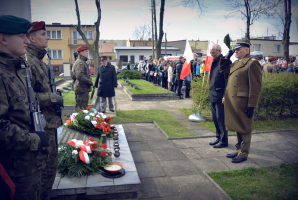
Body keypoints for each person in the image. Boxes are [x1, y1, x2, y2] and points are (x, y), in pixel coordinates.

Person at [0, 15, 49, 200]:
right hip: (16, 168)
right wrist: (34, 139)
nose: (28, 41)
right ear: (3, 38)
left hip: (30, 163)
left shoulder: (16, 68)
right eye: (22, 36)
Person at [26, 21, 63, 200]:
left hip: (49, 124)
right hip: (41, 127)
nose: (47, 37)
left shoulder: (39, 61)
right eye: (43, 34)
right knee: (44, 175)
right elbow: (28, 98)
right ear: (31, 38)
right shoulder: (29, 61)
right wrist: (54, 97)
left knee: (50, 172)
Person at [219, 39, 262, 163]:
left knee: (245, 128)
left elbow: (256, 86)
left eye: (238, 49)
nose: (235, 51)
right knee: (238, 126)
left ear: (246, 50)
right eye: (235, 49)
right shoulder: (236, 62)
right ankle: (238, 150)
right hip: (233, 102)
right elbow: (223, 71)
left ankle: (244, 153)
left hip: (243, 102)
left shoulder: (252, 63)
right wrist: (226, 57)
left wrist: (252, 105)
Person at [208, 44, 228, 148]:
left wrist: (225, 95)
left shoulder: (223, 62)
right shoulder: (214, 62)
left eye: (213, 52)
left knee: (221, 119)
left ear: (219, 51)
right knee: (215, 119)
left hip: (220, 95)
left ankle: (224, 140)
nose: (211, 54)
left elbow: (227, 80)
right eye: (210, 52)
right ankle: (218, 137)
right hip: (213, 94)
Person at [72, 46, 93, 110]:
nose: (87, 53)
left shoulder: (81, 62)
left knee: (81, 108)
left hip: (82, 89)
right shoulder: (80, 63)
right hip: (81, 89)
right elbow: (79, 75)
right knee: (81, 110)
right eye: (86, 51)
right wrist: (89, 81)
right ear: (81, 53)